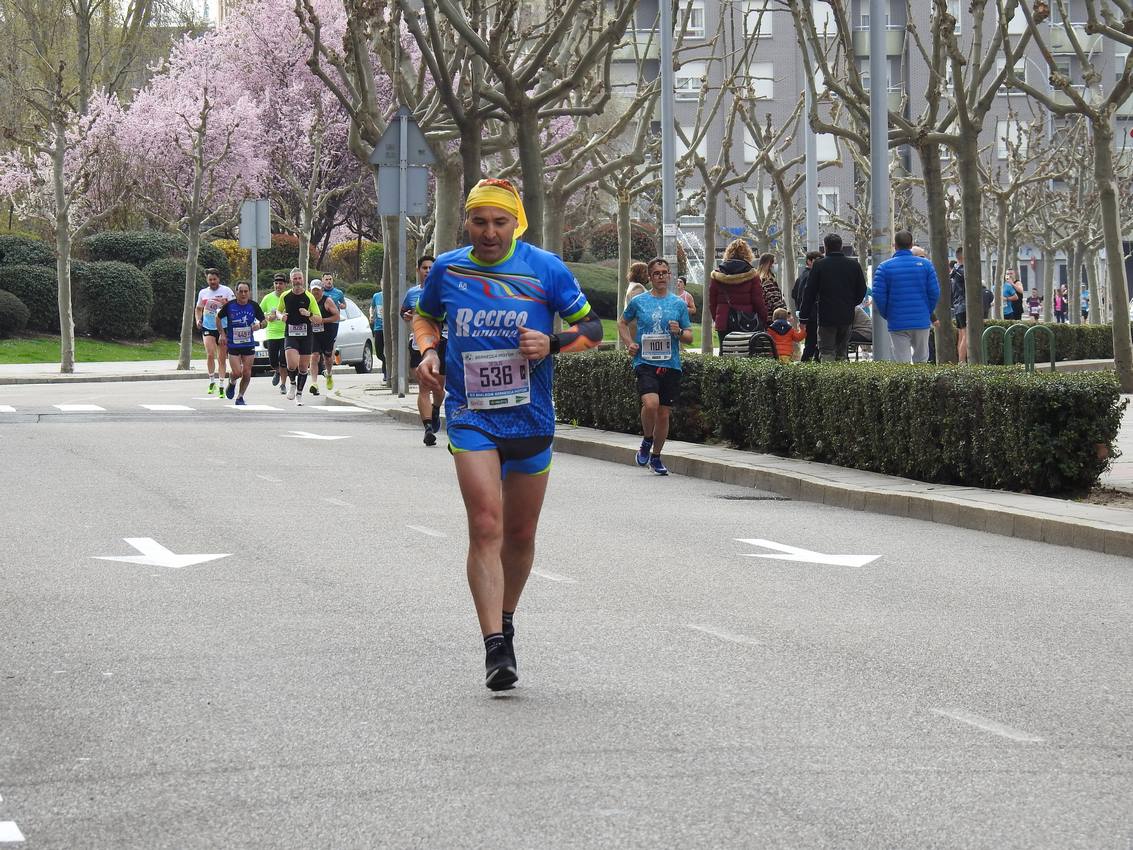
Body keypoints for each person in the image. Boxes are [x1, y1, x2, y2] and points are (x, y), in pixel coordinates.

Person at [411, 177, 602, 691]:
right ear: (466, 223)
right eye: (480, 221)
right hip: (472, 414)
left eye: (500, 222)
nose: (489, 232)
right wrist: (428, 352)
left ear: (517, 223)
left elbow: (594, 332)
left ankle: (508, 617)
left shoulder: (546, 269)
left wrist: (554, 342)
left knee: (519, 535)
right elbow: (425, 317)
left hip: (532, 418)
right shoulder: (449, 268)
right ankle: (494, 644)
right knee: (486, 523)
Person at [618, 257, 692, 476]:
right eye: (657, 273)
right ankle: (647, 439)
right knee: (651, 404)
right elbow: (622, 322)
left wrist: (678, 332)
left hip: (671, 364)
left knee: (663, 413)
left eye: (664, 273)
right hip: (645, 361)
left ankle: (656, 456)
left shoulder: (679, 303)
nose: (661, 276)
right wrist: (629, 343)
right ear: (650, 277)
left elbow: (689, 336)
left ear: (669, 276)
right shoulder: (639, 301)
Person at [871, 230, 940, 364]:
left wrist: (888, 313)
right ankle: (921, 384)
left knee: (901, 361)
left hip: (897, 321)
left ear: (894, 245)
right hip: (921, 320)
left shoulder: (884, 268)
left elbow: (878, 295)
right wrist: (927, 310)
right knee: (921, 359)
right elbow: (934, 292)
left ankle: (905, 385)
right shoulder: (926, 265)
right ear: (911, 244)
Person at [799, 233, 868, 361]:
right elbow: (862, 289)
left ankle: (828, 379)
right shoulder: (853, 265)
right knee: (842, 352)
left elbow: (809, 293)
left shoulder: (819, 265)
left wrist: (803, 318)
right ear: (841, 246)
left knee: (826, 351)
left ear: (825, 247)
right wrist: (851, 303)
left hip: (826, 316)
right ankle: (842, 379)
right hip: (846, 316)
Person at [403, 256, 445, 445]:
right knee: (424, 386)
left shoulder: (445, 292)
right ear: (418, 270)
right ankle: (428, 428)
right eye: (424, 268)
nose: (428, 271)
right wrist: (407, 316)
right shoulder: (412, 293)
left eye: (431, 268)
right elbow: (405, 312)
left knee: (438, 387)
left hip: (443, 341)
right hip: (419, 344)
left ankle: (435, 409)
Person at [708, 239, 768, 353]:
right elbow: (758, 301)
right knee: (747, 354)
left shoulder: (717, 275)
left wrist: (717, 319)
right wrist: (764, 319)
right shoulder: (752, 274)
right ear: (748, 254)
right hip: (747, 321)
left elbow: (712, 302)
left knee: (725, 354)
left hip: (724, 321)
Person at [277, 267, 322, 405]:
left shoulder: (309, 297)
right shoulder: (285, 296)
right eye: (295, 278)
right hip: (290, 333)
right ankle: (292, 384)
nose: (297, 281)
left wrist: (308, 314)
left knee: (303, 367)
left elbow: (319, 319)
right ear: (291, 280)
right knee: (291, 364)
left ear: (303, 280)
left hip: (306, 335)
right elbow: (277, 311)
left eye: (299, 278)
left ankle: (299, 394)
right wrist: (281, 316)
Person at [217, 282, 265, 405]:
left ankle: (240, 396)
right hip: (233, 344)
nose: (243, 294)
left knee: (247, 372)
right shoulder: (229, 306)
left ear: (249, 292)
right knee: (237, 372)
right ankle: (232, 381)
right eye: (241, 291)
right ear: (236, 292)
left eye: (246, 291)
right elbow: (218, 318)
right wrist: (222, 334)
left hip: (248, 344)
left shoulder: (253, 306)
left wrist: (259, 325)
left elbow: (264, 321)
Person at [194, 269, 234, 396]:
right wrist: (198, 320)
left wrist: (225, 303)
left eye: (214, 279)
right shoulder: (203, 292)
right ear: (207, 280)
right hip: (208, 327)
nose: (212, 282)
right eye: (210, 279)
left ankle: (221, 384)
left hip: (223, 328)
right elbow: (198, 308)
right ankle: (212, 381)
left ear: (219, 279)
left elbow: (235, 306)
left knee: (221, 358)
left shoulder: (226, 291)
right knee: (210, 354)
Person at [307, 279, 341, 396]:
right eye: (313, 290)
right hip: (314, 334)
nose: (315, 292)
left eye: (317, 290)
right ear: (309, 290)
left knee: (327, 357)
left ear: (322, 290)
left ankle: (329, 374)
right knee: (314, 356)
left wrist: (322, 321)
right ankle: (314, 384)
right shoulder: (308, 301)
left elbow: (337, 316)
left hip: (327, 333)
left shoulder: (327, 301)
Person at [259, 272, 289, 395]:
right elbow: (259, 313)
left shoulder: (288, 297)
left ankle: (283, 384)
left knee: (283, 360)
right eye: (276, 283)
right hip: (271, 333)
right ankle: (277, 371)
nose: (278, 286)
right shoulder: (268, 298)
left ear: (285, 285)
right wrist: (267, 317)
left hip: (285, 333)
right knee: (272, 361)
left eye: (280, 283)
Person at [792, 250, 822, 362]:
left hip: (808, 315)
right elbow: (804, 296)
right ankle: (806, 366)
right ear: (809, 261)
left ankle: (806, 366)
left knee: (811, 343)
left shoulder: (802, 275)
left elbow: (794, 294)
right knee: (812, 343)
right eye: (817, 260)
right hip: (812, 315)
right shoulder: (809, 276)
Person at [951, 247, 968, 362]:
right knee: (966, 335)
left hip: (958, 306)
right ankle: (962, 362)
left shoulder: (955, 270)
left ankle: (961, 362)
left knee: (962, 335)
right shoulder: (963, 272)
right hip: (964, 305)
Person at [370, 285, 388, 382]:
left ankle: (386, 373)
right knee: (379, 353)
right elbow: (372, 307)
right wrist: (371, 315)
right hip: (378, 327)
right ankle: (386, 364)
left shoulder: (392, 295)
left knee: (389, 351)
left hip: (389, 328)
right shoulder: (376, 296)